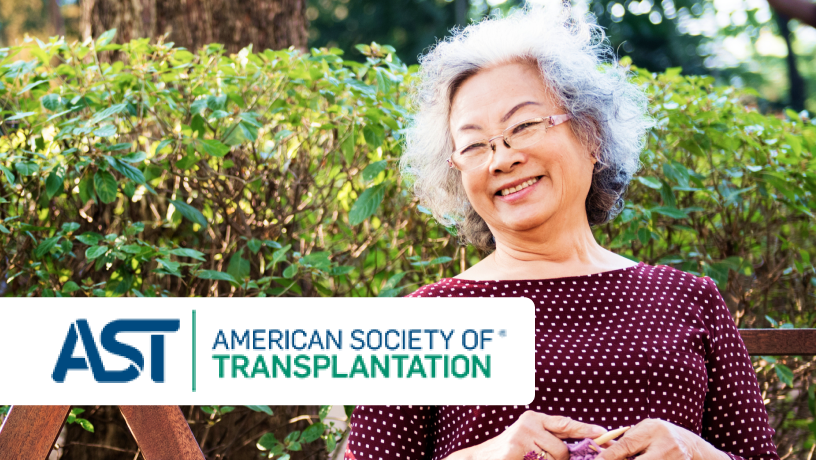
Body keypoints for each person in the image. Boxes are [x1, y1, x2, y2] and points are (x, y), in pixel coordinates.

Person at [344, 4, 779, 460]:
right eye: (474, 145)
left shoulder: (688, 299)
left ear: (590, 134)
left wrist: (699, 453)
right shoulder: (422, 321)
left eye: (524, 125)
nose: (501, 158)